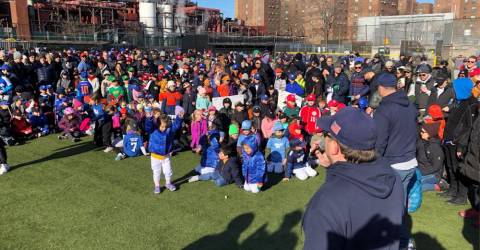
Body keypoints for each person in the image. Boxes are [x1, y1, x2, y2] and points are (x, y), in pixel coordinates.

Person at [303, 107, 403, 250]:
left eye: (326, 134)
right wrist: (334, 167)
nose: (323, 138)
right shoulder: (393, 177)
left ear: (334, 147)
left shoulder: (325, 203)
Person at [373, 72, 418, 249]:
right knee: (399, 207)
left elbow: (379, 142)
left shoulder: (384, 109)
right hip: (409, 161)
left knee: (389, 209)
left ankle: (402, 243)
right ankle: (405, 242)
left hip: (394, 164)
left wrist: (374, 165)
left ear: (381, 88)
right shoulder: (409, 104)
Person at [148, 112, 184, 194]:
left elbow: (176, 126)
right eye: (162, 126)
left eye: (165, 126)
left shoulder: (169, 130)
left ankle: (168, 183)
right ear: (158, 125)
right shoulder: (153, 130)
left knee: (168, 171)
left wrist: (179, 118)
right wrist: (149, 118)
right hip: (155, 156)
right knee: (156, 172)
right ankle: (157, 186)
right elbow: (148, 126)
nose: (164, 128)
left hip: (166, 156)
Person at [417, 122, 444, 192]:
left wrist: (421, 173)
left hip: (433, 175)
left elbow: (436, 167)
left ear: (430, 133)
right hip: (422, 171)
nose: (421, 133)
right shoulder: (422, 142)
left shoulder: (435, 147)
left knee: (415, 186)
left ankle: (437, 186)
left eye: (423, 132)